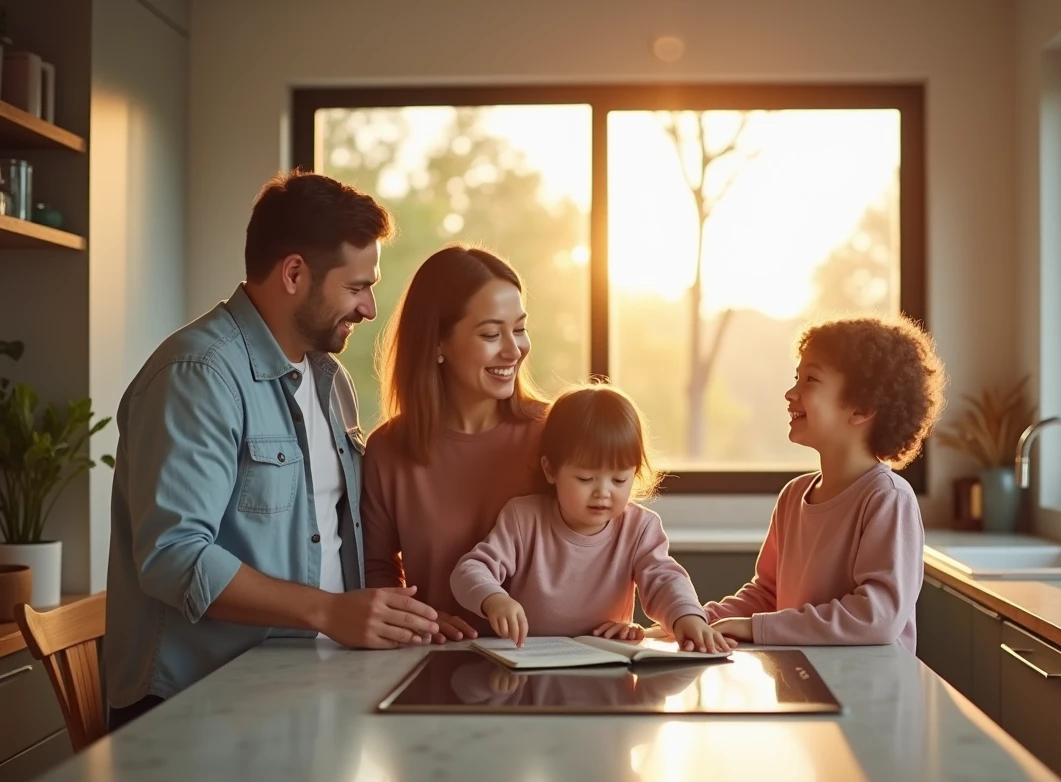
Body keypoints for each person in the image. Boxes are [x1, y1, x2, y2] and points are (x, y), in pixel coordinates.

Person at [104, 170, 440, 731]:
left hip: (311, 688)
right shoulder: (198, 375)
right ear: (293, 273)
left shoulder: (330, 380)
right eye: (357, 287)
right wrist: (329, 611)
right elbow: (175, 557)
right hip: (200, 708)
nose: (370, 309)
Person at [699, 314, 947, 652]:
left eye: (810, 380)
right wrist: (695, 620)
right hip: (802, 682)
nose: (790, 393)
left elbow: (877, 616)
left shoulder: (887, 499)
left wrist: (755, 628)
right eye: (796, 377)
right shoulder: (793, 496)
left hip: (870, 693)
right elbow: (767, 595)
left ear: (862, 408)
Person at [449, 383, 735, 654]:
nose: (603, 492)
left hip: (606, 660)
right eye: (586, 478)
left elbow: (664, 580)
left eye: (619, 479)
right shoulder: (523, 517)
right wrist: (494, 600)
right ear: (550, 471)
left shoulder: (640, 527)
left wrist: (687, 617)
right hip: (530, 663)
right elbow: (470, 570)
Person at [361, 245, 546, 642]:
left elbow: (610, 538)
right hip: (434, 658)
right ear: (437, 343)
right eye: (492, 334)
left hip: (552, 659)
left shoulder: (555, 431)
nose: (514, 350)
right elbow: (378, 570)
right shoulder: (387, 451)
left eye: (519, 329)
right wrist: (418, 618)